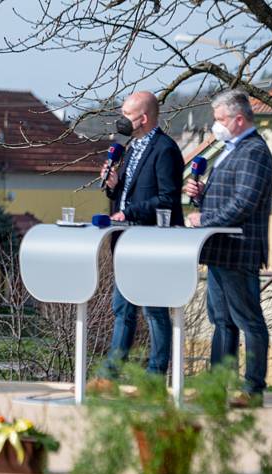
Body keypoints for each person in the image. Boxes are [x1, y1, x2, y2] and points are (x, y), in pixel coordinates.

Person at [184, 89, 272, 408]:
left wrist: (204, 219)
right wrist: (200, 193)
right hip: (220, 249)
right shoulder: (230, 149)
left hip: (239, 248)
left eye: (220, 119)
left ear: (238, 119)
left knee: (248, 319)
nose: (215, 125)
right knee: (222, 320)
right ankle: (217, 385)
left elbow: (244, 202)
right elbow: (226, 198)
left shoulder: (254, 151)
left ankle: (253, 388)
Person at [90, 91, 184, 387]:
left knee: (154, 310)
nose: (122, 120)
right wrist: (113, 187)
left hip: (151, 242)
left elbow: (168, 199)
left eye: (127, 115)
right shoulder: (129, 148)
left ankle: (156, 377)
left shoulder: (165, 149)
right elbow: (128, 194)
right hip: (126, 239)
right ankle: (110, 375)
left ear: (143, 118)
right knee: (123, 309)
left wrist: (128, 210)